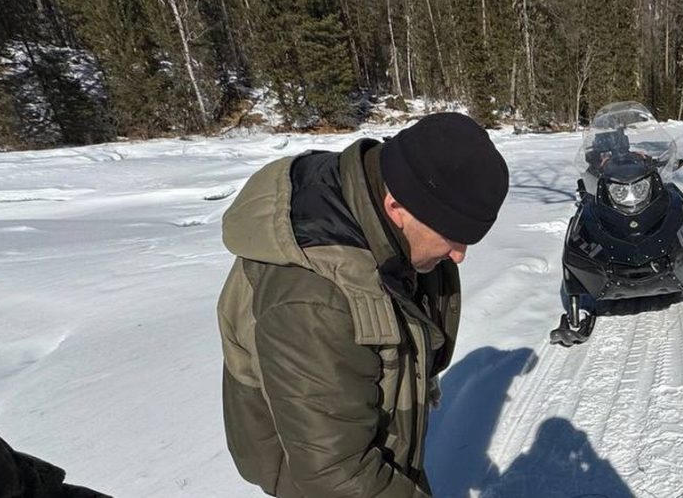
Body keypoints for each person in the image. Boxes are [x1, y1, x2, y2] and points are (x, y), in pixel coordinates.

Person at [216, 113, 509, 497]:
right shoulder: (315, 302)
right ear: (396, 207)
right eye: (452, 235)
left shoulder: (374, 204)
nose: (459, 256)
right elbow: (335, 473)